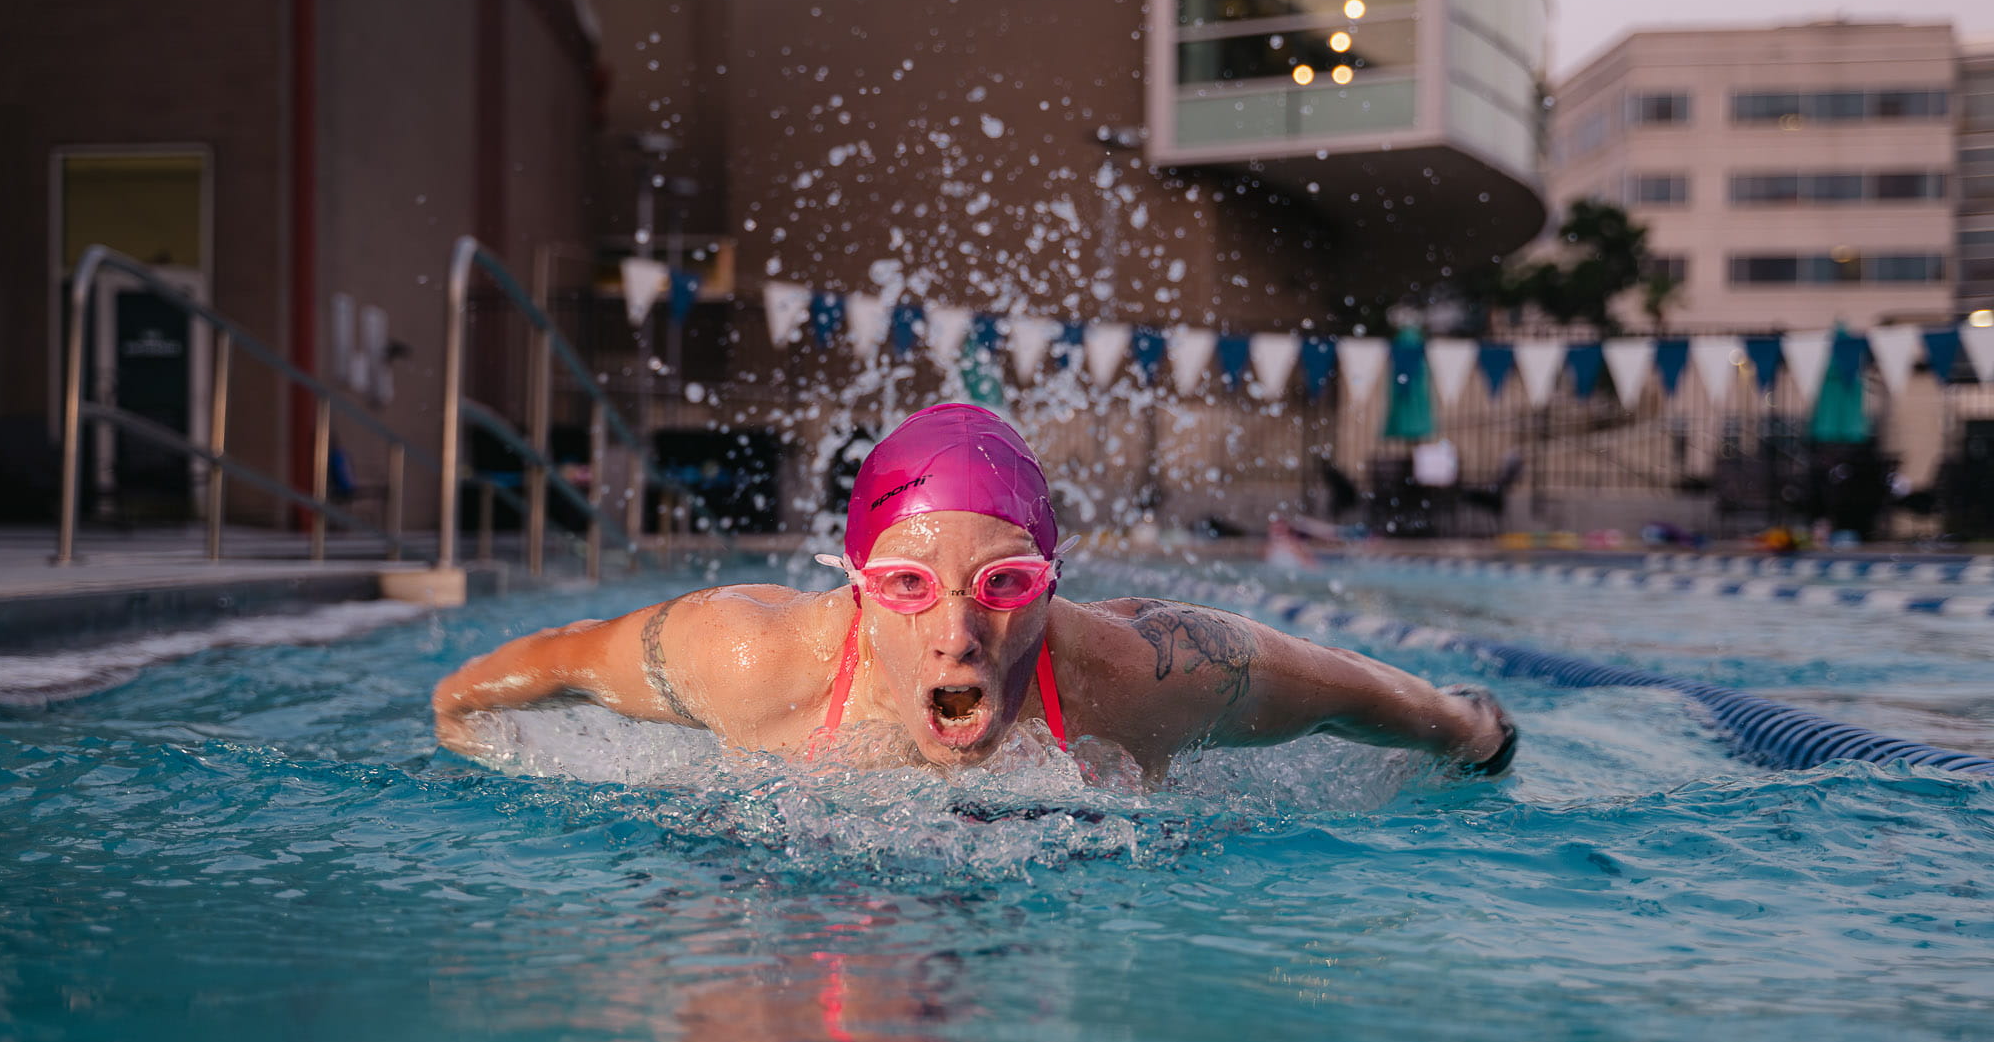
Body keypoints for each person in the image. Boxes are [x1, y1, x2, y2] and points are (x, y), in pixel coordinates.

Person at [433, 403, 1516, 783]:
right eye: (905, 584)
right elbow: (559, 661)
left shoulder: (1139, 676)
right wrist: (462, 722)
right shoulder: (748, 657)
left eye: (1002, 584)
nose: (956, 633)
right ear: (855, 583)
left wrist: (1466, 729)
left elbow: (1335, 684)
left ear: (1050, 587)